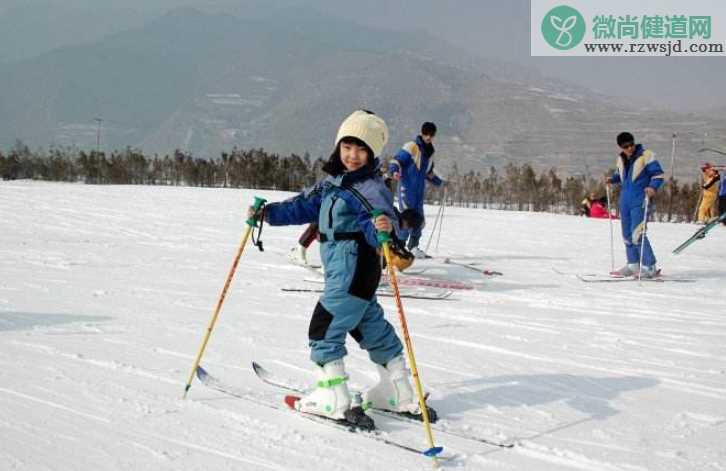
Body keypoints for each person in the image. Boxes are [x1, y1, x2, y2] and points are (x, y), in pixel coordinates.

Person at [248, 110, 433, 426]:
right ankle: (397, 392)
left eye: (362, 149)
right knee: (368, 325)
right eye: (348, 146)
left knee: (324, 327)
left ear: (372, 153)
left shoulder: (370, 187)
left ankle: (333, 398)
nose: (353, 155)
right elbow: (302, 206)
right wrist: (268, 213)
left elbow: (384, 229)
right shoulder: (333, 184)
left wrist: (389, 226)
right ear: (339, 146)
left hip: (352, 267)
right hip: (351, 270)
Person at [606, 132, 665, 278]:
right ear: (620, 147)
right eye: (626, 146)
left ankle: (649, 266)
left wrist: (652, 187)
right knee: (627, 234)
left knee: (637, 234)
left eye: (631, 144)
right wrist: (612, 180)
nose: (630, 148)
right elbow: (620, 175)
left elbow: (658, 175)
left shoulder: (646, 155)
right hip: (625, 200)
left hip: (640, 199)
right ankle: (633, 265)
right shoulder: (620, 159)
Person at [388, 122, 444, 258]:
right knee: (407, 220)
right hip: (407, 189)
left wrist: (441, 183)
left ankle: (413, 249)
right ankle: (398, 249)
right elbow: (396, 160)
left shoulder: (430, 152)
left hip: (419, 193)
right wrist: (394, 171)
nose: (429, 137)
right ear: (422, 132)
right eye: (426, 134)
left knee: (418, 221)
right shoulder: (412, 146)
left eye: (431, 135)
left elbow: (428, 173)